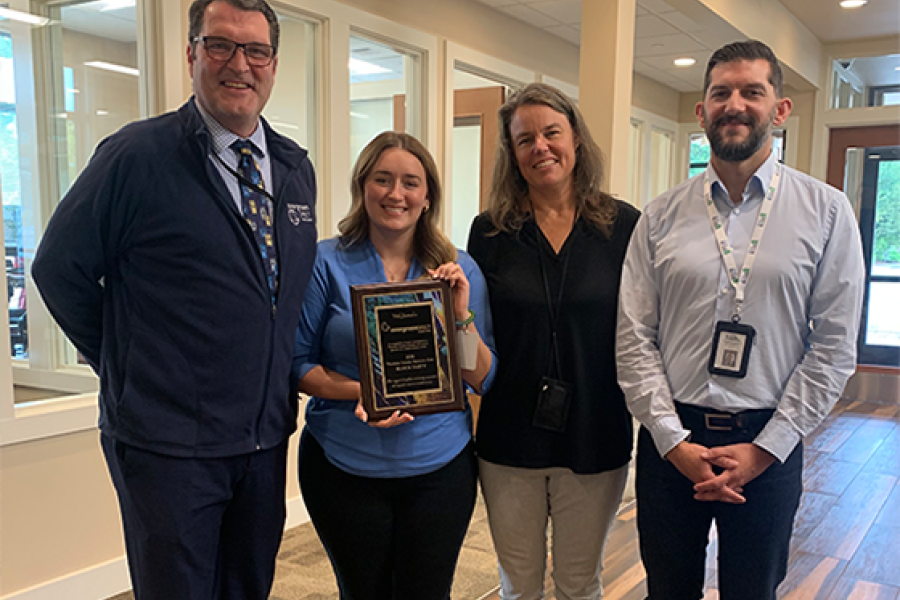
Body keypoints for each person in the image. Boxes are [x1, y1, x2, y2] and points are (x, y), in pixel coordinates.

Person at [31, 0, 317, 596]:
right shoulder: (137, 156)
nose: (240, 64)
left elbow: (274, 295)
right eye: (220, 45)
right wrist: (124, 361)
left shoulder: (293, 168)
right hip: (168, 447)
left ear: (273, 63)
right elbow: (59, 270)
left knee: (248, 587)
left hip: (263, 438)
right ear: (191, 54)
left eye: (256, 50)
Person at [616, 40, 865, 600]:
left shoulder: (826, 212)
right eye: (720, 93)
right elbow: (633, 337)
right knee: (667, 591)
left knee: (753, 592)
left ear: (780, 109)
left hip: (768, 442)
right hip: (671, 441)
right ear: (701, 110)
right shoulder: (660, 216)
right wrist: (670, 438)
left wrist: (768, 446)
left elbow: (832, 345)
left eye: (752, 91)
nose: (735, 104)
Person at [293, 131, 497, 600]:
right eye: (382, 179)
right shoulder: (325, 262)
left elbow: (480, 377)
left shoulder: (456, 269)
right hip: (342, 469)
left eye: (410, 182)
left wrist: (460, 314)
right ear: (362, 186)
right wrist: (363, 394)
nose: (395, 194)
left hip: (439, 471)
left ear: (428, 197)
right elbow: (298, 366)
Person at [467, 82, 640, 600]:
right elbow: (475, 332)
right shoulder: (490, 232)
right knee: (518, 584)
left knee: (579, 582)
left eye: (551, 133)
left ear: (576, 140)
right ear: (512, 154)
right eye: (525, 139)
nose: (540, 147)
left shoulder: (624, 225)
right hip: (508, 435)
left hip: (595, 430)